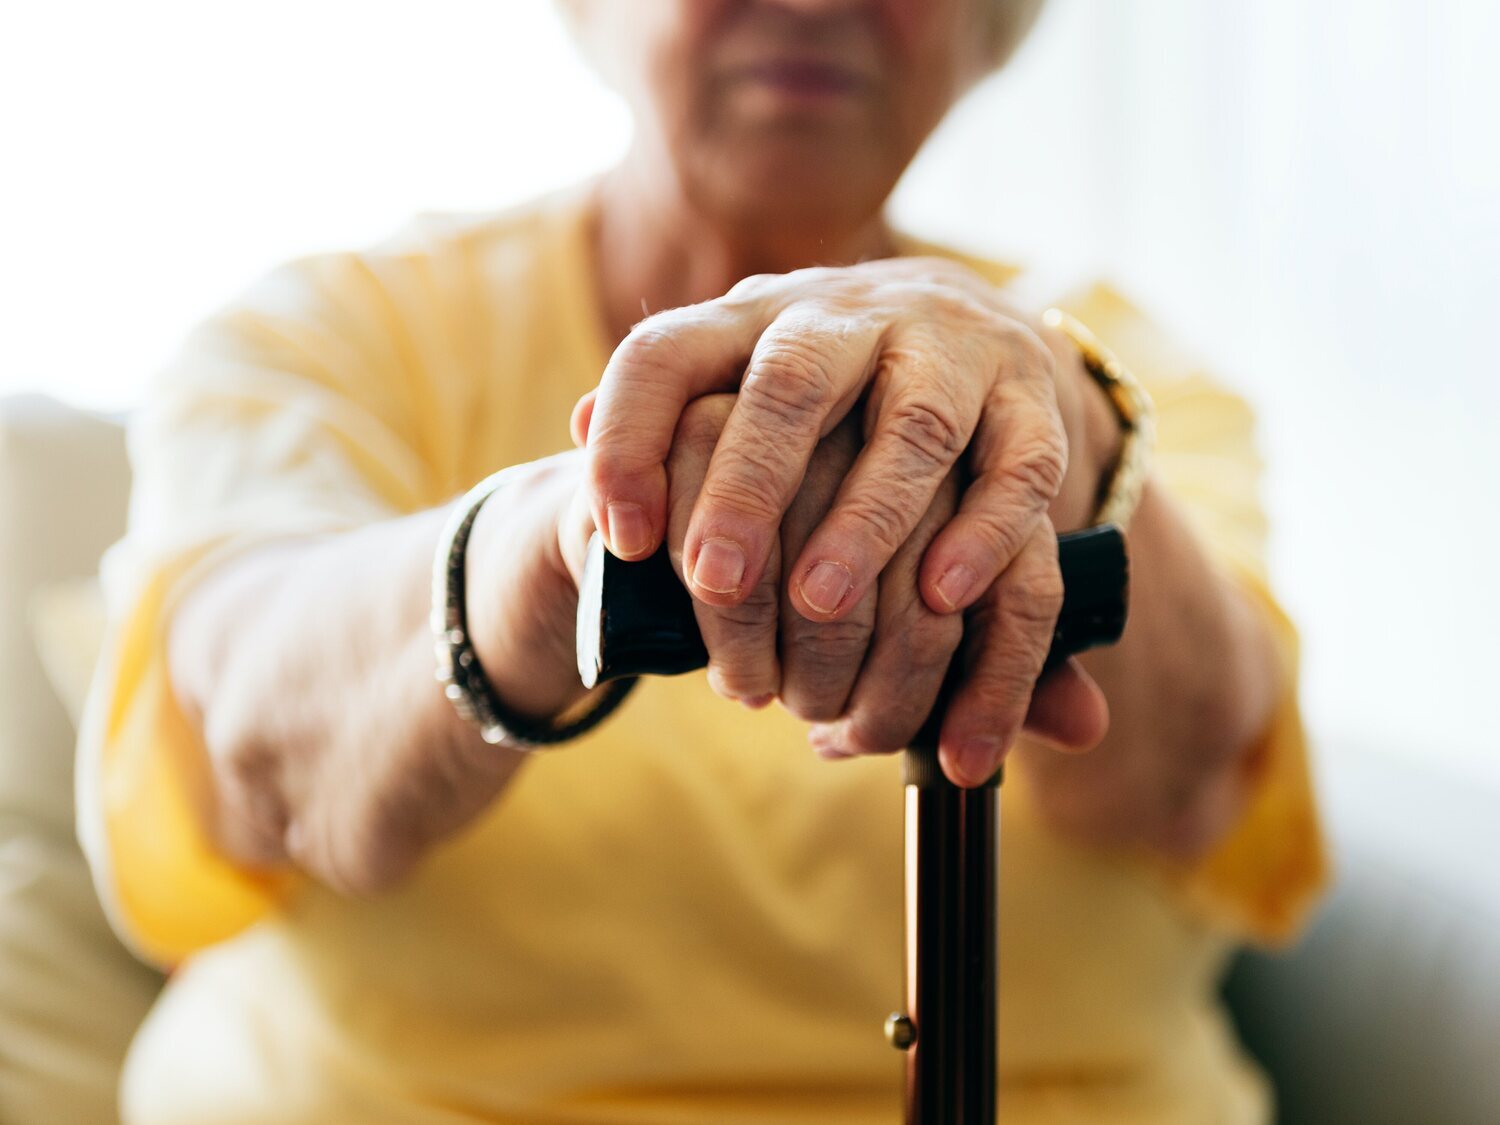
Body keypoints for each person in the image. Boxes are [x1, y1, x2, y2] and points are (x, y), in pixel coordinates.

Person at [79, 0, 1327, 1121]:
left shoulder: (1127, 367)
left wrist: (1063, 415)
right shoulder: (329, 334)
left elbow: (1191, 778)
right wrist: (564, 542)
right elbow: (253, 748)